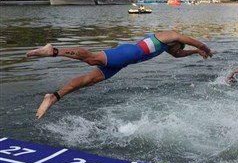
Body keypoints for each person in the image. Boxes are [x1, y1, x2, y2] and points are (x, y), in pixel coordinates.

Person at [26, 30, 213, 119]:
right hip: (126, 54)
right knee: (91, 58)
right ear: (175, 44)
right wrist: (204, 48)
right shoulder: (169, 36)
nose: (177, 51)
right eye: (178, 49)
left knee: (89, 80)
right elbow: (188, 40)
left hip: (123, 62)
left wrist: (196, 53)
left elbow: (178, 54)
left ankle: (54, 97)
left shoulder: (167, 48)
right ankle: (53, 51)